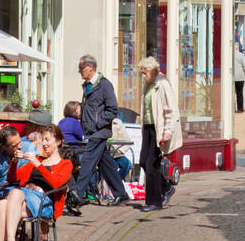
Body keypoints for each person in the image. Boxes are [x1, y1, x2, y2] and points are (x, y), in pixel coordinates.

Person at [72, 55, 132, 207]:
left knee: (87, 161)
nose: (79, 71)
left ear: (90, 68)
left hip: (100, 132)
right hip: (92, 131)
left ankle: (76, 196)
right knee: (105, 164)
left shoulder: (104, 85)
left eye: (81, 68)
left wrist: (97, 123)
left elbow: (113, 109)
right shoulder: (87, 85)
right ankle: (121, 193)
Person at [137, 56, 183, 214]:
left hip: (159, 129)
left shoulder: (163, 84)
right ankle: (166, 188)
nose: (143, 76)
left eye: (144, 73)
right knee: (143, 161)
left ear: (152, 71)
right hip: (148, 128)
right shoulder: (148, 84)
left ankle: (154, 201)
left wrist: (168, 131)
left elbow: (171, 109)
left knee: (152, 165)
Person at [234, 42, 245, 113]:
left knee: (231, 93)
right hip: (240, 77)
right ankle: (240, 108)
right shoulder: (241, 55)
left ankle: (231, 108)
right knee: (239, 93)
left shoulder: (228, 55)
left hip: (231, 77)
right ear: (238, 48)